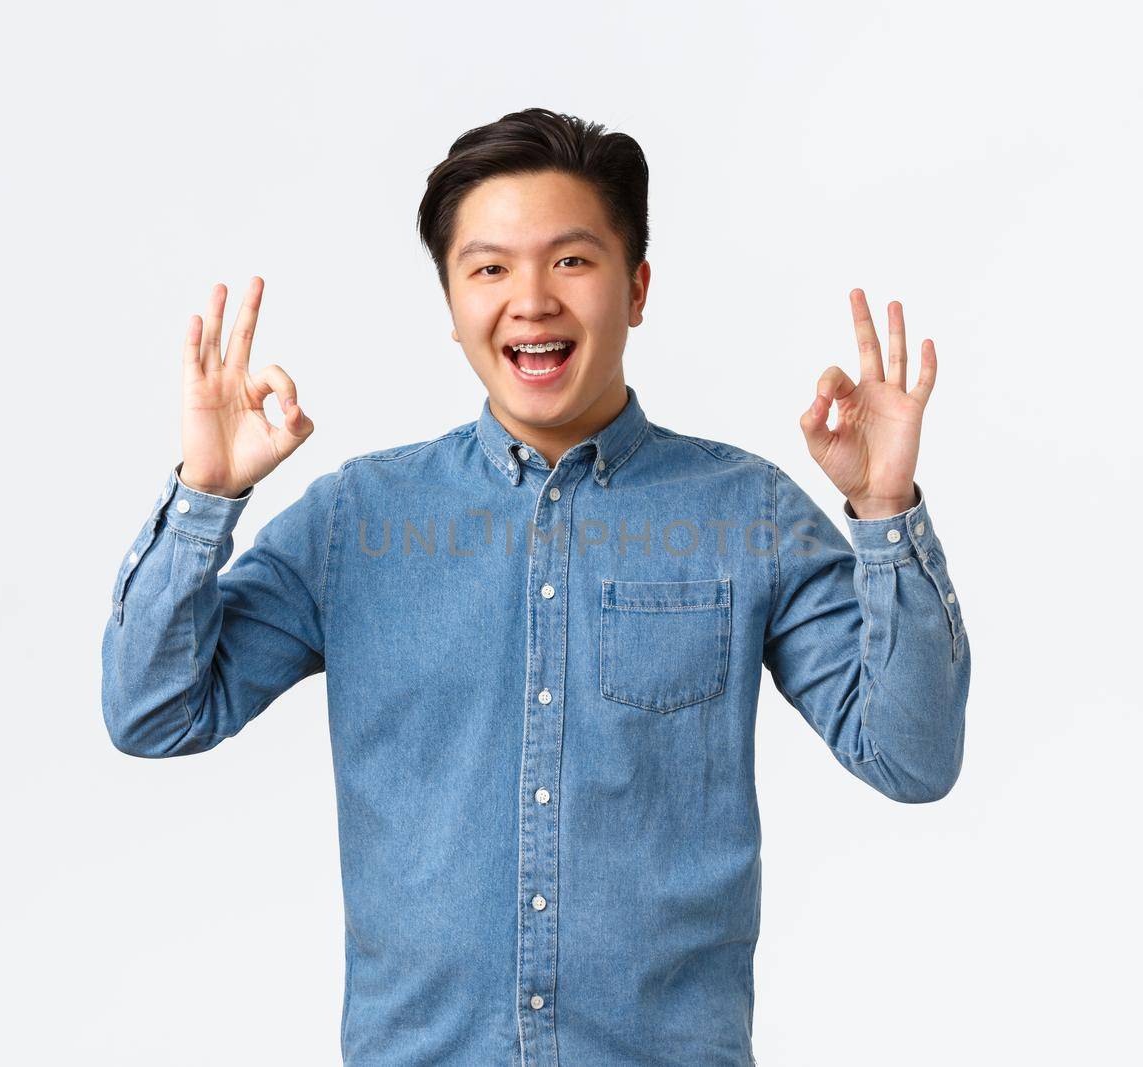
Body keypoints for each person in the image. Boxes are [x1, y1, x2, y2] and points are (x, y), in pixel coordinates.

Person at [101, 107, 970, 1067]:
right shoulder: (358, 519)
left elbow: (910, 755)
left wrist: (885, 512)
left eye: (571, 261)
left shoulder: (745, 512)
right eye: (489, 268)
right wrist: (204, 498)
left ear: (636, 289)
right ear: (451, 302)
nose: (531, 300)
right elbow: (154, 711)